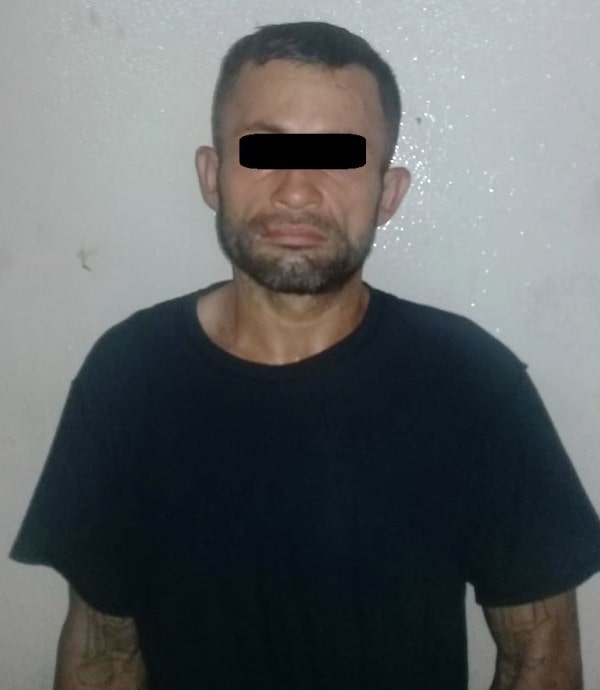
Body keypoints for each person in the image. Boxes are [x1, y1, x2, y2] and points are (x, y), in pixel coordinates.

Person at [9, 21, 600, 690]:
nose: (296, 191)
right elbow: (103, 656)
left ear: (387, 193)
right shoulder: (128, 377)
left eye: (339, 157)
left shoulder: (472, 384)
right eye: (263, 150)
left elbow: (541, 658)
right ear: (212, 176)